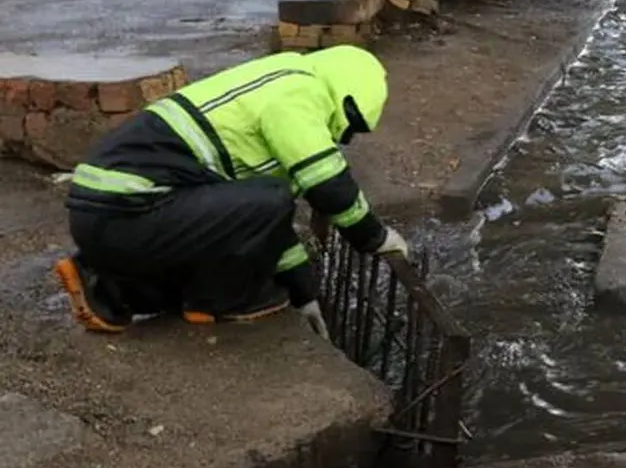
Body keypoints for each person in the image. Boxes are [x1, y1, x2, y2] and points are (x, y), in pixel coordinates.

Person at [53, 45, 409, 339]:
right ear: (344, 94)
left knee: (261, 205)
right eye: (352, 123)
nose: (346, 136)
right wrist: (376, 238)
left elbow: (263, 227)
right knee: (271, 197)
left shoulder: (277, 78)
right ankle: (218, 301)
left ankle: (110, 289)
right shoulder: (299, 93)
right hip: (127, 212)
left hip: (110, 214)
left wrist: (305, 296)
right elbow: (329, 186)